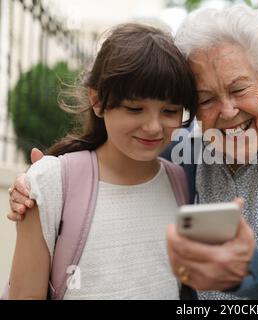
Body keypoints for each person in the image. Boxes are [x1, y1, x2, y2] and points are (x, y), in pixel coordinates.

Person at [7, 5, 258, 300]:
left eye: (240, 88)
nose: (228, 111)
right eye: (206, 99)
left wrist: (253, 270)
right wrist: (40, 185)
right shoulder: (178, 151)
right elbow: (113, 158)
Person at [5, 23, 199, 299]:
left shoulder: (179, 180)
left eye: (169, 111)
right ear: (97, 100)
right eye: (135, 108)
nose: (154, 126)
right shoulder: (50, 181)